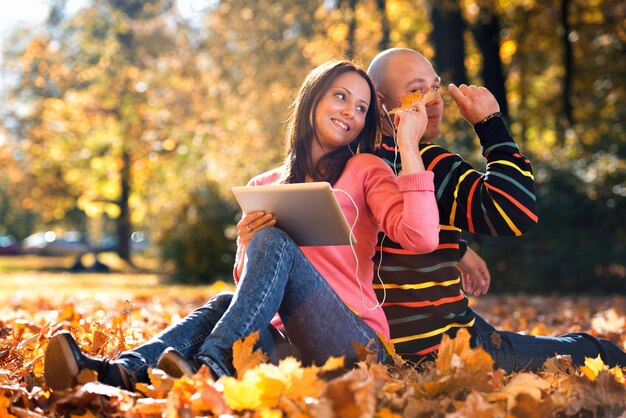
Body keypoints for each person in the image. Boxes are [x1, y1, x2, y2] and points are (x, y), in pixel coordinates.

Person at [43, 59, 441, 391]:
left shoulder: (366, 169)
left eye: (361, 108)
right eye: (341, 96)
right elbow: (248, 286)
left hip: (353, 344)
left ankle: (212, 364)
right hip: (285, 349)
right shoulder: (263, 186)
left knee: (272, 243)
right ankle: (115, 373)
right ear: (313, 99)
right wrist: (247, 246)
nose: (350, 113)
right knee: (222, 302)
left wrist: (408, 146)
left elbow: (421, 237)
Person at [367, 48, 626, 372]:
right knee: (599, 351)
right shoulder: (432, 166)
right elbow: (516, 212)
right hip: (443, 347)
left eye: (435, 86)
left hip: (389, 343)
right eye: (416, 91)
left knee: (487, 326)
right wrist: (490, 124)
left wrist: (457, 249)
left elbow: (392, 231)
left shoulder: (360, 163)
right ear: (380, 103)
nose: (433, 99)